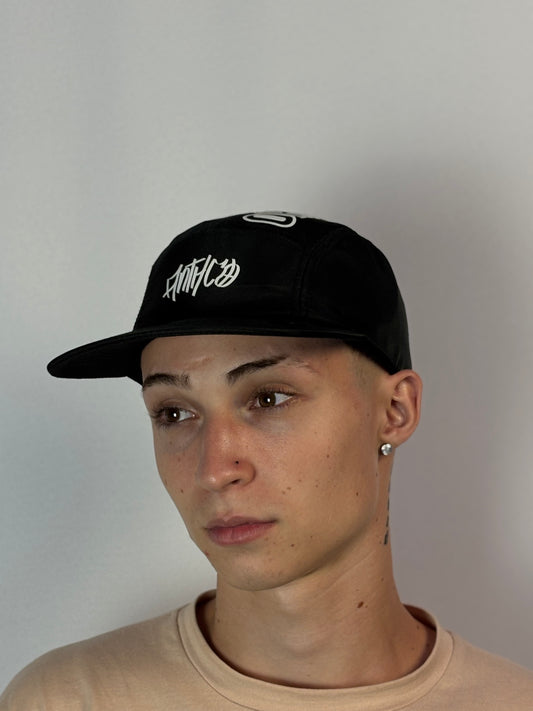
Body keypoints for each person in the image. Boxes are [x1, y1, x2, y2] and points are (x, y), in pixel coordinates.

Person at [1, 211, 532, 710]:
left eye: (269, 398)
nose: (214, 470)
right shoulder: (67, 699)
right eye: (174, 413)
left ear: (395, 410)